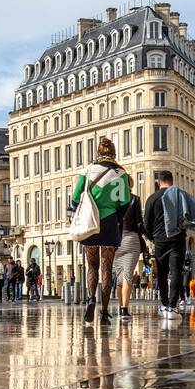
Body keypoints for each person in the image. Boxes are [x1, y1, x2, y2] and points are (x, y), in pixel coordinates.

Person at [70, 137, 129, 325]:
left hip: (90, 224)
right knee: (107, 267)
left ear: (98, 153)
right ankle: (104, 313)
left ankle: (90, 299)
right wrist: (117, 219)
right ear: (113, 153)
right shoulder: (120, 173)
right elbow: (125, 202)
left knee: (92, 265)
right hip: (110, 223)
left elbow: (75, 198)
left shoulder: (86, 171)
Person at [143, 169, 195, 319]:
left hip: (159, 240)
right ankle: (173, 307)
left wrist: (153, 237)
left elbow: (146, 224)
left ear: (158, 182)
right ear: (172, 181)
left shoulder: (152, 199)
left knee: (161, 273)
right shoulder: (180, 196)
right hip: (177, 239)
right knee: (176, 272)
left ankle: (165, 304)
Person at [111, 193, 143, 319]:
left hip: (115, 239)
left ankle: (120, 308)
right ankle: (124, 309)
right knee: (127, 274)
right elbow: (139, 223)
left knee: (119, 277)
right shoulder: (135, 199)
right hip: (130, 238)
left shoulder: (112, 199)